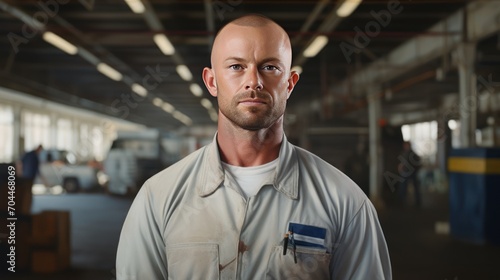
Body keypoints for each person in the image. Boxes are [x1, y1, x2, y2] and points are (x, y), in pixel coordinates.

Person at [116, 14, 391, 279]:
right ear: (212, 82)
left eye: (270, 67)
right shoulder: (157, 198)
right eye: (236, 66)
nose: (253, 82)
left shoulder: (345, 203)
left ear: (290, 84)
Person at [398, 141, 422, 207]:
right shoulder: (403, 153)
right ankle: (401, 202)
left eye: (406, 145)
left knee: (415, 188)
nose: (405, 146)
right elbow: (401, 163)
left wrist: (415, 170)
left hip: (412, 173)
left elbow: (419, 163)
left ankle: (418, 202)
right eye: (405, 145)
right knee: (403, 187)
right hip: (405, 173)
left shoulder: (413, 154)